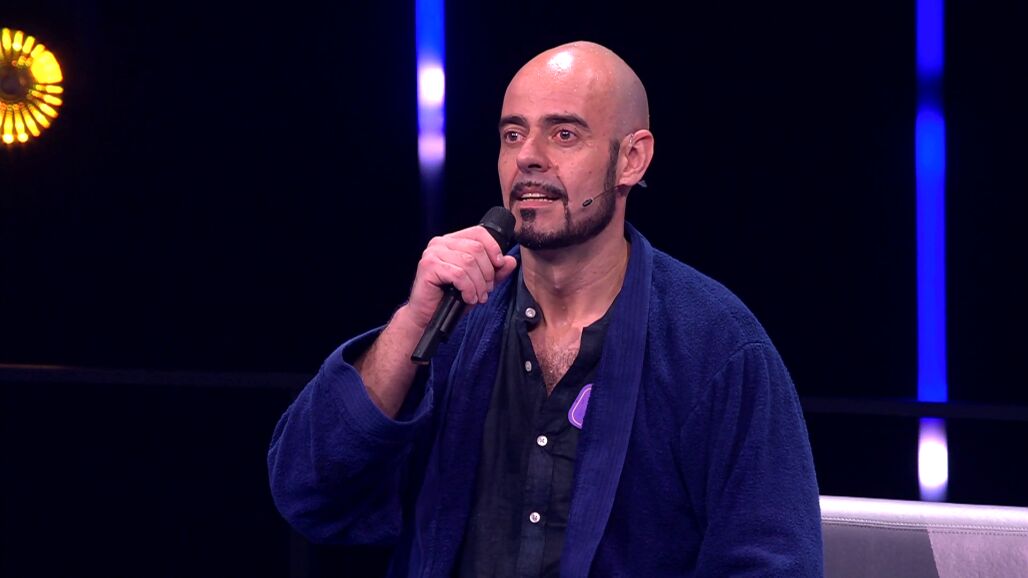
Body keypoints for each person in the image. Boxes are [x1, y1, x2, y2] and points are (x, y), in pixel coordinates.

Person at [268, 40, 823, 577]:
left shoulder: (716, 346)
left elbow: (772, 563)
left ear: (631, 159)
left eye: (564, 134)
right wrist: (412, 322)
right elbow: (308, 491)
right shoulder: (453, 325)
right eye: (513, 135)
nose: (528, 157)